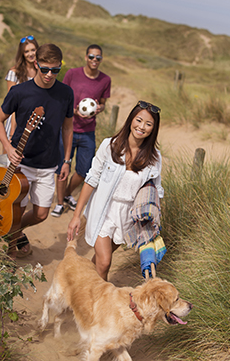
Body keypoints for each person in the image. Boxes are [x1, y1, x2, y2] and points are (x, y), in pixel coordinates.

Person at [67, 100, 164, 281]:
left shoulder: (154, 157)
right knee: (104, 262)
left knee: (98, 261)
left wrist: (152, 227)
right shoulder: (109, 145)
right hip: (103, 210)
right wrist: (76, 216)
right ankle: (98, 305)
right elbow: (91, 180)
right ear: (131, 120)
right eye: (139, 120)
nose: (142, 127)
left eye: (148, 124)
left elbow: (156, 192)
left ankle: (82, 285)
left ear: (153, 129)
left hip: (127, 217)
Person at [0, 43, 74, 259]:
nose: (49, 74)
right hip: (21, 164)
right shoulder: (20, 92)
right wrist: (9, 148)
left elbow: (68, 127)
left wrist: (66, 160)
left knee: (40, 214)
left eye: (55, 70)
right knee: (15, 209)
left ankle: (15, 231)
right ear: (36, 64)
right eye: (45, 69)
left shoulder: (66, 93)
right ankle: (10, 251)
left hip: (49, 164)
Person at [51, 44, 111, 217]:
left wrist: (98, 108)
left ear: (101, 60)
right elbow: (62, 96)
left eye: (98, 58)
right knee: (62, 168)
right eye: (91, 57)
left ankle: (68, 193)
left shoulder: (105, 80)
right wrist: (73, 111)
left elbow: (103, 103)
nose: (94, 60)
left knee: (84, 171)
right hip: (67, 128)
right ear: (86, 57)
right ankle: (60, 203)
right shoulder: (72, 74)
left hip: (88, 131)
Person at [4, 35, 39, 142]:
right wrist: (11, 133)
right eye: (26, 51)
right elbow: (12, 104)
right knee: (10, 157)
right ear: (22, 54)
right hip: (17, 121)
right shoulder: (14, 72)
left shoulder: (42, 72)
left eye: (33, 50)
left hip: (36, 121)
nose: (31, 54)